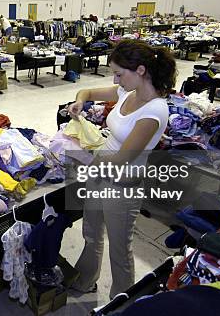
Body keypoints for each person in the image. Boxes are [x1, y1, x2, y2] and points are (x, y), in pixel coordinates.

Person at [67, 40, 177, 299]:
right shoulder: (128, 92)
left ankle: (123, 303)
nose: (115, 80)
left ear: (140, 70)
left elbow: (122, 159)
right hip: (99, 174)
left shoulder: (155, 110)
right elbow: (88, 92)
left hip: (121, 185)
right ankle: (86, 279)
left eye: (119, 73)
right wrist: (79, 102)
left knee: (119, 250)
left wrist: (81, 161)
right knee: (91, 233)